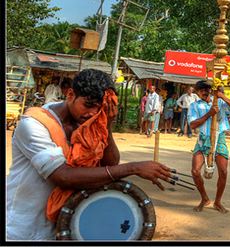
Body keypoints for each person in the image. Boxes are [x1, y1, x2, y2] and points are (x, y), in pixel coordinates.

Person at [6, 69, 173, 241]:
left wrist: (106, 124)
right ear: (70, 94)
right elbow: (63, 176)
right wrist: (133, 167)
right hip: (20, 229)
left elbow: (110, 163)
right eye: (88, 105)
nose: (93, 113)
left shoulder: (89, 125)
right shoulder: (34, 125)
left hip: (62, 227)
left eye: (99, 108)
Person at [188, 80, 230, 213]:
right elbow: (193, 124)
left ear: (211, 90)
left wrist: (222, 96)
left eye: (207, 89)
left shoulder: (220, 102)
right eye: (201, 90)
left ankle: (218, 201)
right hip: (203, 139)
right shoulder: (194, 105)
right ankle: (204, 198)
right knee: (195, 171)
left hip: (219, 138)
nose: (204, 92)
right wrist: (209, 114)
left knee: (223, 171)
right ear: (198, 92)